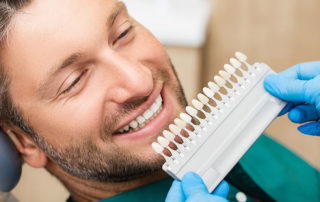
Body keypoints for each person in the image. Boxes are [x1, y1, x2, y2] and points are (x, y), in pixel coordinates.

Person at [0, 0, 318, 202]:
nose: (140, 81)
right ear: (25, 142)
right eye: (75, 80)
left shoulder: (235, 137)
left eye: (122, 33)